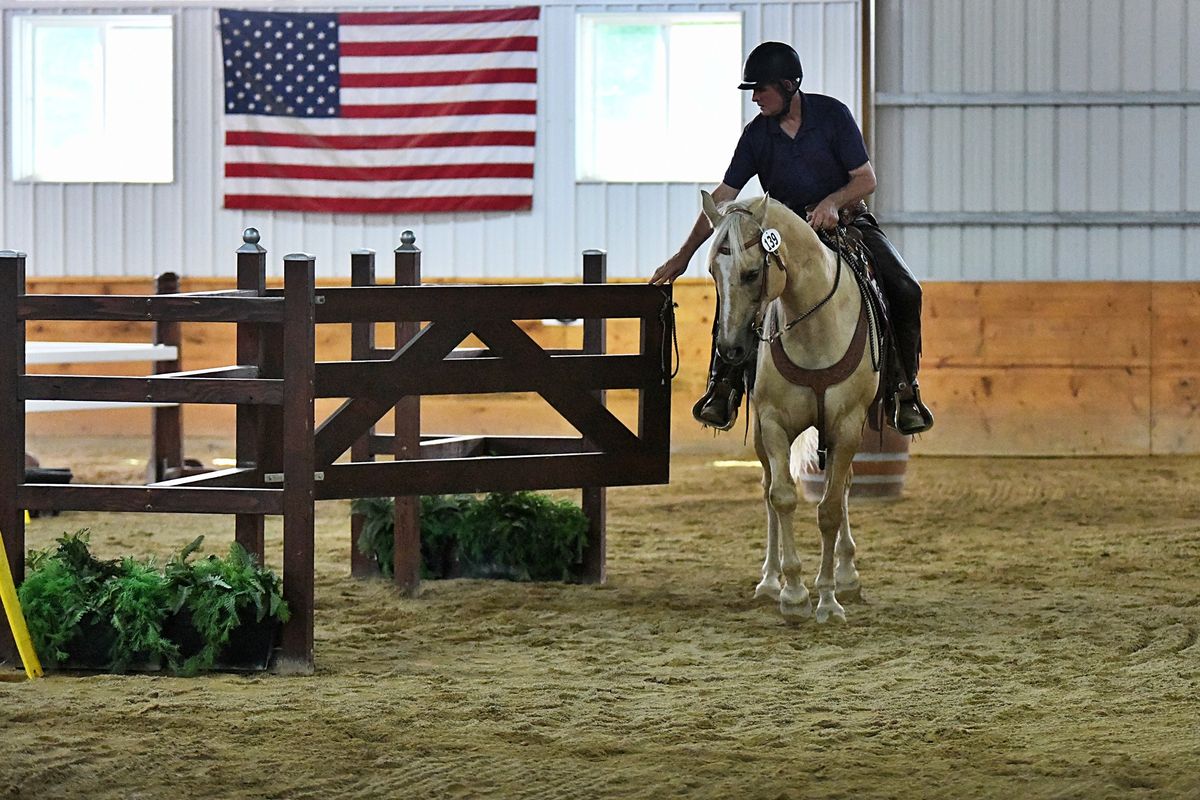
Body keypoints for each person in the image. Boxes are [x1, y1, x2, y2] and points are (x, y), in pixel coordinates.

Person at [650, 40, 934, 436]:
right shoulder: (756, 136)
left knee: (905, 288)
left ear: (788, 85)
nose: (754, 98)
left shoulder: (833, 116)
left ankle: (904, 391)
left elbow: (866, 179)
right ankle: (724, 385)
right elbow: (723, 195)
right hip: (782, 237)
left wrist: (832, 203)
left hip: (847, 223)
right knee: (740, 280)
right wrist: (684, 254)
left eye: (760, 89)